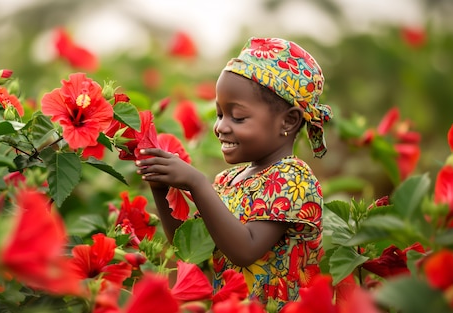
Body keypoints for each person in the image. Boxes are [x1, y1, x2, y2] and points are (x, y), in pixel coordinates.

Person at [135, 37, 332, 311]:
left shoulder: (294, 178)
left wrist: (196, 182)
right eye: (219, 114)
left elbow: (244, 250)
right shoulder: (228, 180)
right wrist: (161, 187)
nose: (221, 127)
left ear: (288, 121)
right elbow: (190, 247)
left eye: (237, 117)